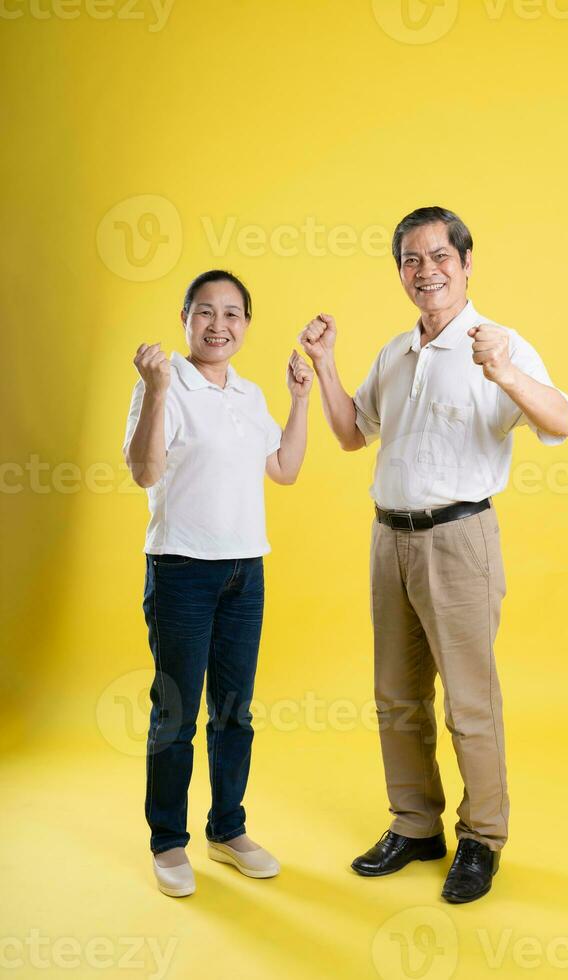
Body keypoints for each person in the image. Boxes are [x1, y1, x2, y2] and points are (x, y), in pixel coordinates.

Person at [299, 206, 568, 904]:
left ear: (466, 261)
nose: (426, 271)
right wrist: (326, 366)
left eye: (439, 257)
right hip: (388, 538)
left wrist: (506, 373)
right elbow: (350, 433)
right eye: (411, 261)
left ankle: (482, 837)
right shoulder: (396, 352)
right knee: (396, 696)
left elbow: (562, 421)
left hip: (459, 539)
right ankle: (416, 824)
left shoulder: (498, 343)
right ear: (401, 272)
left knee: (469, 702)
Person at [122, 269, 313, 898]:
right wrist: (153, 391)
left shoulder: (249, 394)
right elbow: (145, 472)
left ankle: (227, 830)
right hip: (181, 570)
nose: (218, 325)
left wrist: (300, 398)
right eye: (205, 312)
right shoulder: (162, 383)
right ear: (185, 319)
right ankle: (168, 843)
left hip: (244, 571)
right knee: (175, 711)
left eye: (232, 314)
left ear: (246, 326)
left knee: (234, 711)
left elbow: (283, 468)